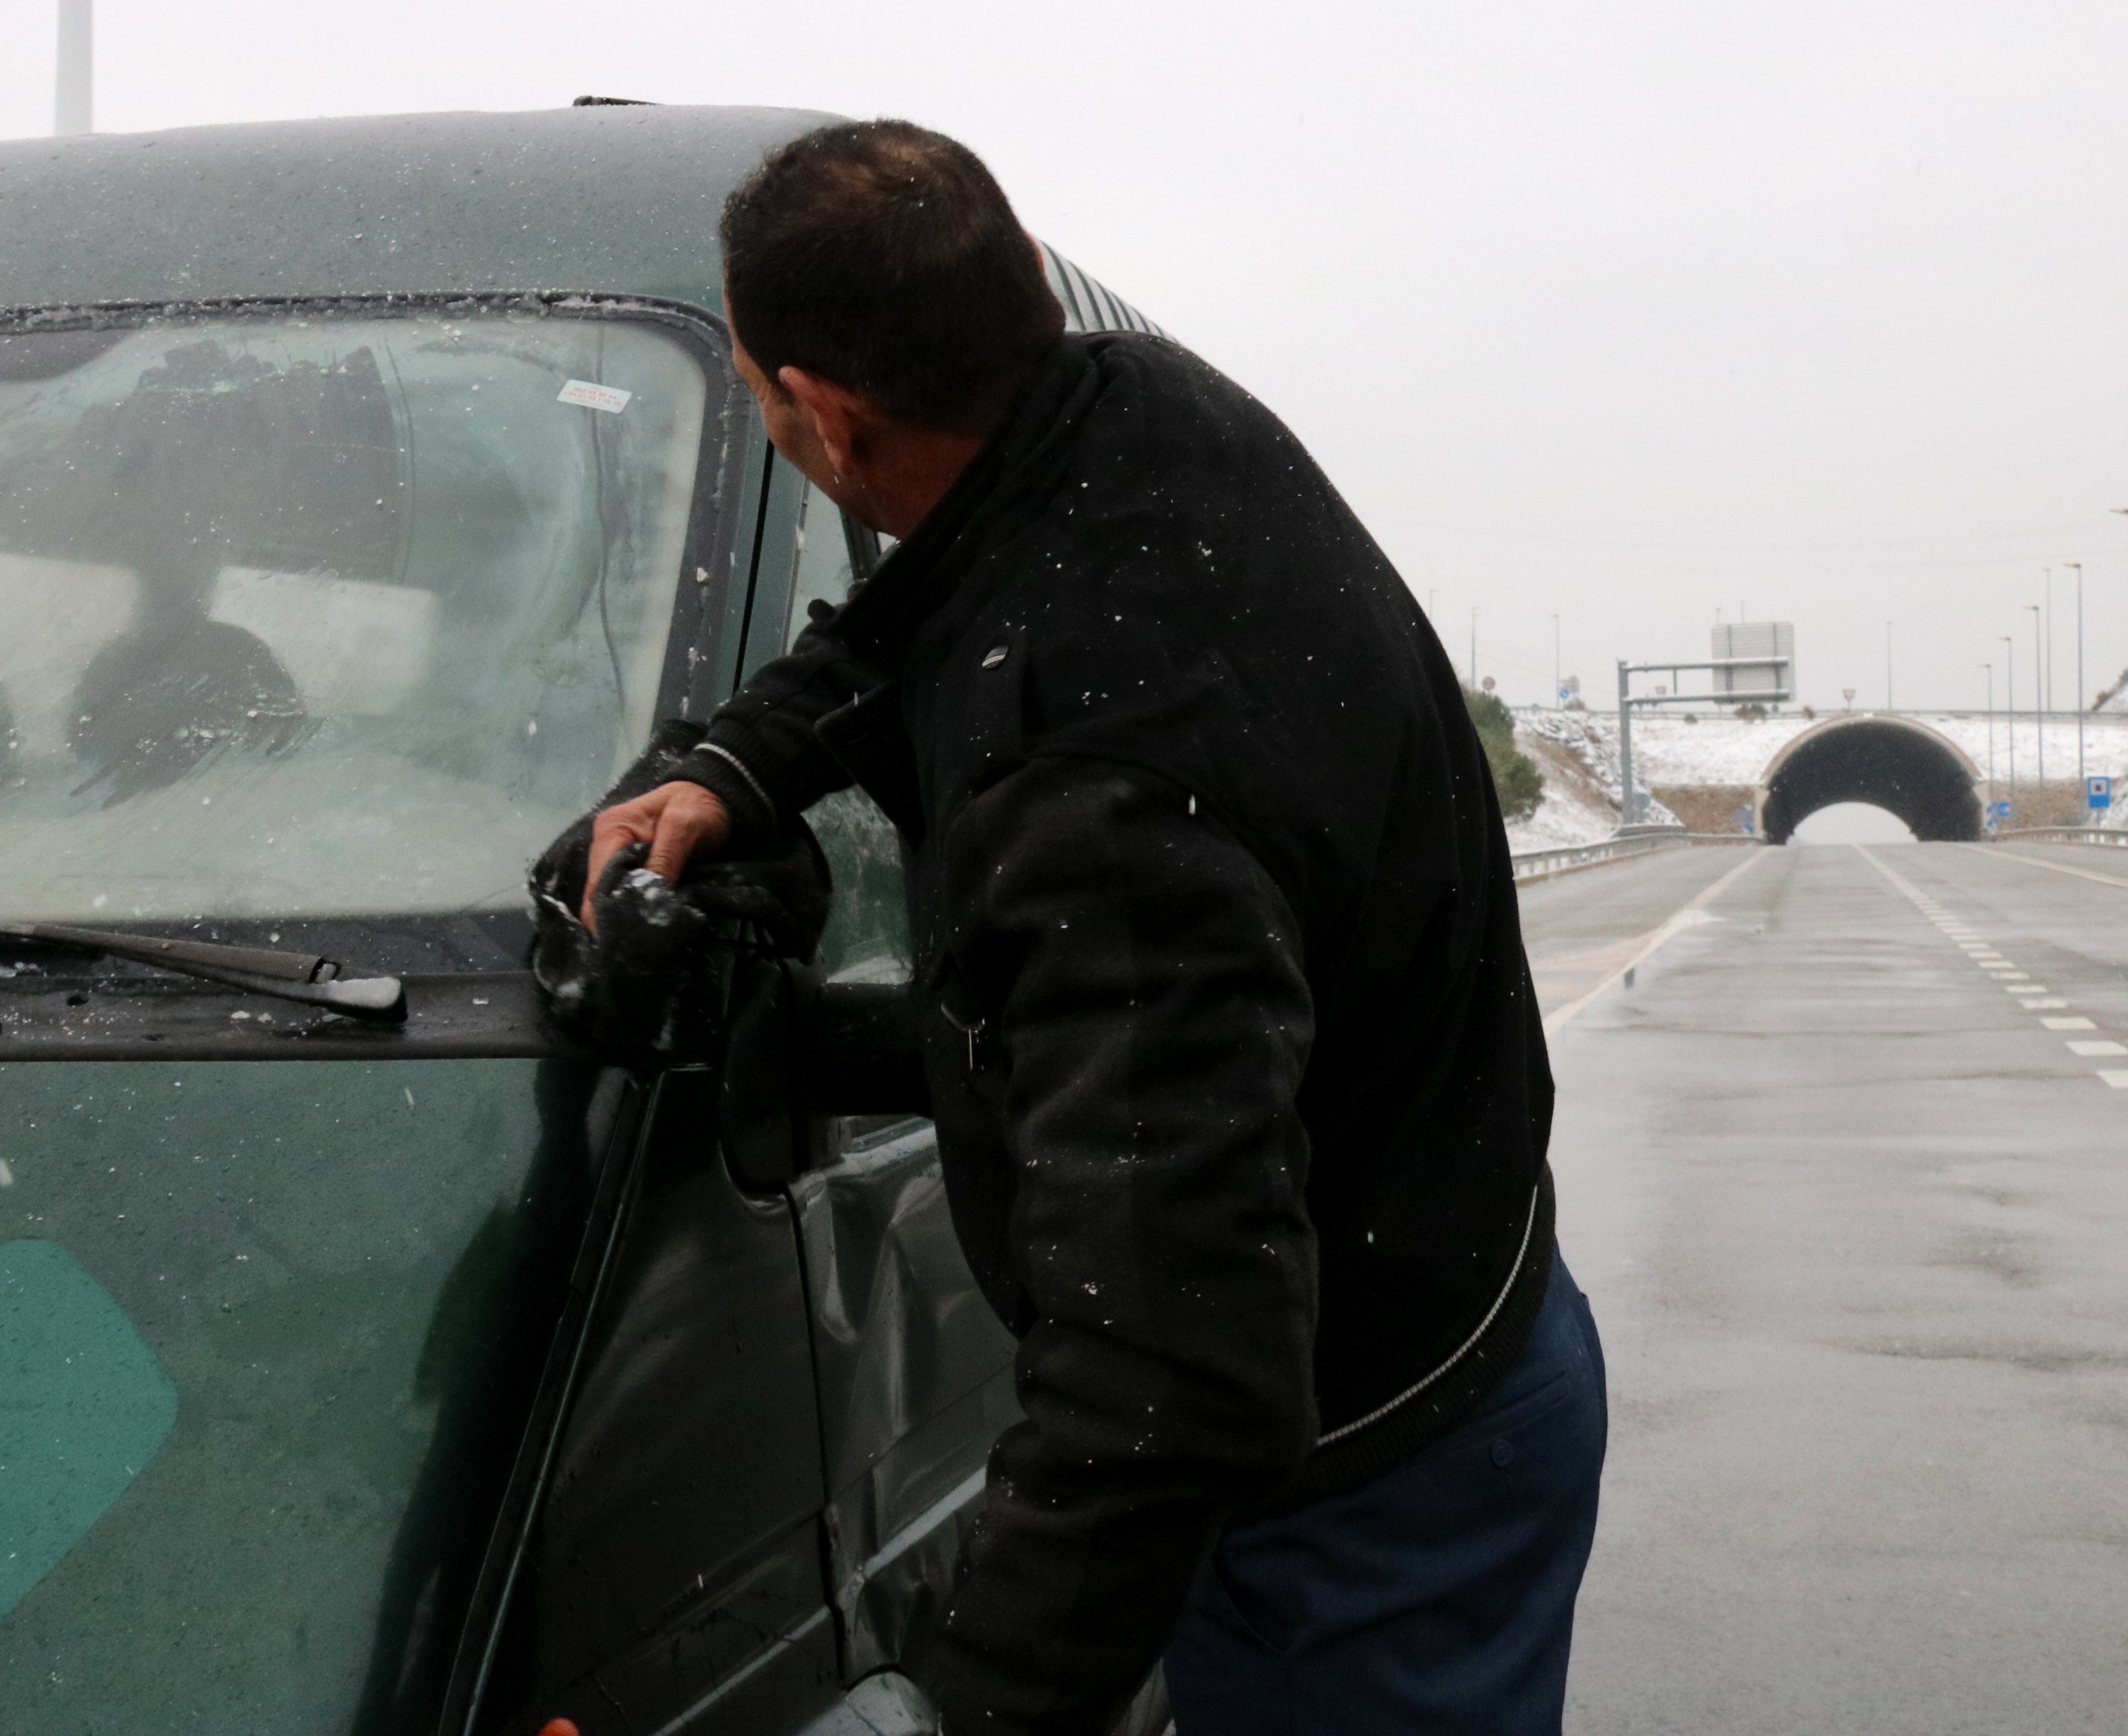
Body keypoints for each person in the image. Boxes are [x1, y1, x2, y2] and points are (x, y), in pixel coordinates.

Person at [566, 120, 1604, 1736]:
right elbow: (935, 612)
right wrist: (733, 764)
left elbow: (1172, 1381)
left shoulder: (1099, 800)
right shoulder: (1137, 413)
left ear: (825, 420)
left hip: (1376, 1510)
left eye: (766, 399)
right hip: (1462, 1309)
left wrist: (972, 1711)